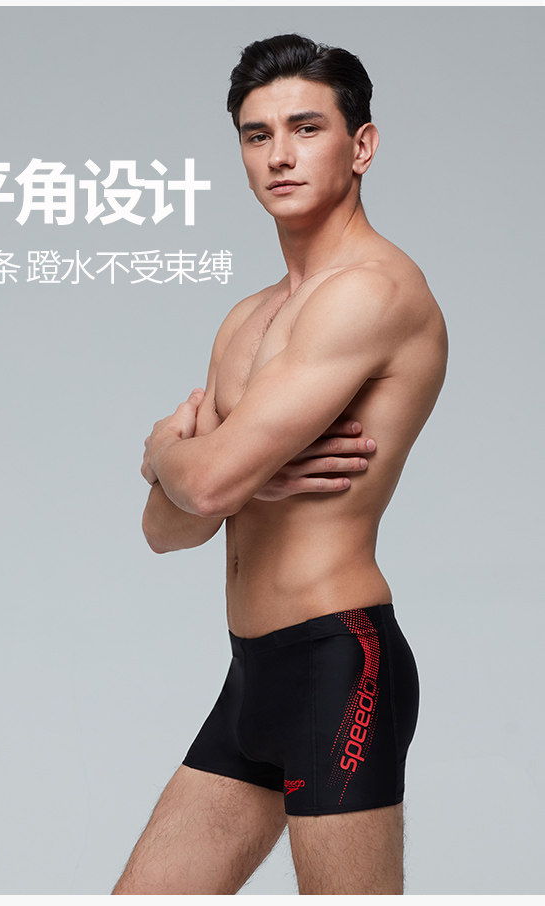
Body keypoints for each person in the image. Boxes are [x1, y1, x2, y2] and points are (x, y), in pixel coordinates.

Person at [112, 32, 447, 895]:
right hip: (252, 675)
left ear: (361, 145)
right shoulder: (248, 319)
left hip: (337, 663)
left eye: (306, 128)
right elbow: (168, 530)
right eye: (257, 135)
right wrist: (226, 475)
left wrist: (167, 451)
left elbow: (204, 485)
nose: (279, 155)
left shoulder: (371, 293)